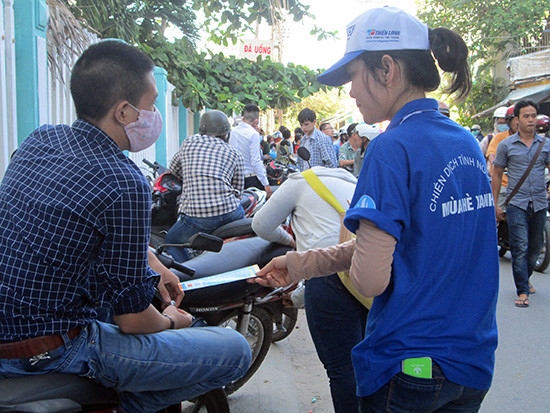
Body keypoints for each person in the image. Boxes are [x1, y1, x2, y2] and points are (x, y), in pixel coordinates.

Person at [251, 7, 498, 412]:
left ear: (387, 68)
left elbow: (370, 278)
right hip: (471, 364)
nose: (349, 91)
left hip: (410, 368)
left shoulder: (391, 147)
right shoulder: (467, 143)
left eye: (352, 76)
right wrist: (301, 265)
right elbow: (412, 248)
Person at [0, 41, 251, 413]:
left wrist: (150, 259)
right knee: (236, 351)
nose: (153, 115)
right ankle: (122, 403)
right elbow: (134, 320)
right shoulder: (123, 180)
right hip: (53, 350)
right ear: (123, 112)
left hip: (13, 327)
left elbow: (71, 225)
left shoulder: (41, 139)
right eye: (150, 106)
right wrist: (170, 322)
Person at [251, 166, 366, 413]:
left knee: (342, 369)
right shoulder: (357, 185)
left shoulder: (300, 181)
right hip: (365, 276)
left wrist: (291, 243)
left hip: (327, 275)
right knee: (366, 362)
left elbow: (261, 224)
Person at [165, 110, 246, 263]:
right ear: (226, 133)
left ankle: (189, 273)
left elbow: (174, 171)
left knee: (171, 240)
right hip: (231, 212)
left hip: (198, 217)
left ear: (201, 129)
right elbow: (238, 191)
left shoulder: (188, 143)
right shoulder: (235, 154)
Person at [492, 99, 550, 308]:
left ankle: (526, 277)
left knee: (535, 248)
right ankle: (522, 290)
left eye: (534, 116)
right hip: (516, 204)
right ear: (516, 120)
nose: (531, 120)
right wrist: (495, 204)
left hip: (540, 204)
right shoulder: (506, 145)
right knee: (520, 247)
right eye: (526, 116)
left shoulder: (546, 144)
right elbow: (497, 174)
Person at [228, 104, 272, 198]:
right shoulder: (253, 134)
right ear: (256, 121)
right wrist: (266, 184)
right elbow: (256, 161)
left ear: (243, 118)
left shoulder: (233, 132)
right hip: (252, 179)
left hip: (235, 179)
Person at [486, 105, 519, 208]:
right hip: (504, 185)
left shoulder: (534, 139)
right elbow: (492, 155)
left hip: (526, 188)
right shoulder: (499, 138)